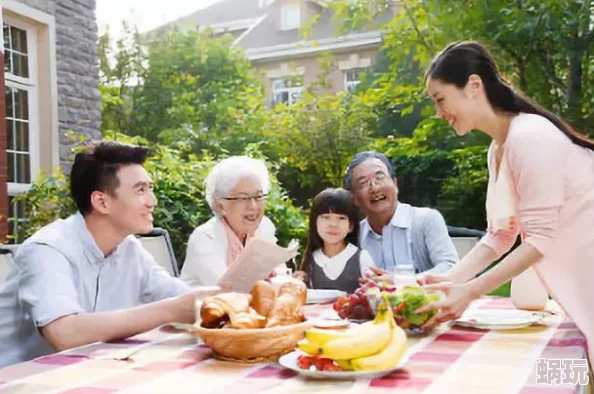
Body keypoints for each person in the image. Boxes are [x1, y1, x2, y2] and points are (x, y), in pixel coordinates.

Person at [419, 40, 594, 361]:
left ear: (474, 85)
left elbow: (540, 239)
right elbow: (501, 234)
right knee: (561, 374)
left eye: (441, 99)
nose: (439, 113)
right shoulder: (499, 148)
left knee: (566, 374)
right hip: (577, 292)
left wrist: (470, 292)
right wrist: (448, 280)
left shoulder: (530, 137)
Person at [0, 142, 218, 368]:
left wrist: (225, 302)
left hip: (86, 373)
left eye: (150, 189)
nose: (152, 201)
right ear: (101, 201)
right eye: (140, 190)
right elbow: (64, 334)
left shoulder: (129, 248)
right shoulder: (47, 249)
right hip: (18, 381)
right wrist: (173, 310)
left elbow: (181, 297)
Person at [344, 151, 459, 281]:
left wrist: (401, 281)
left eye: (380, 177)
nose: (374, 188)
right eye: (363, 183)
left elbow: (451, 267)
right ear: (354, 198)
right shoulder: (354, 234)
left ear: (395, 183)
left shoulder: (426, 219)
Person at [180, 156, 277, 287]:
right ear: (221, 206)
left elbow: (279, 275)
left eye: (258, 196)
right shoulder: (205, 238)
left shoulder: (265, 227)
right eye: (243, 198)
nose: (253, 206)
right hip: (207, 306)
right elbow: (227, 288)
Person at [297, 188, 375, 293]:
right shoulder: (310, 261)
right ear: (315, 223)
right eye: (326, 217)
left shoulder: (362, 258)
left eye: (341, 218)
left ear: (351, 226)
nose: (333, 224)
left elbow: (375, 294)